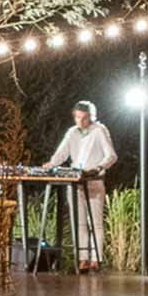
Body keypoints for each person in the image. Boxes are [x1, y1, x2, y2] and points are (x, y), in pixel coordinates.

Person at [44, 100, 118, 273]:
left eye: (84, 118)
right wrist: (50, 164)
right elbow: (61, 154)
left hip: (94, 182)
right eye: (77, 117)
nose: (80, 121)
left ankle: (96, 259)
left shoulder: (99, 131)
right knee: (80, 223)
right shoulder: (72, 133)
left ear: (91, 117)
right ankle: (82, 259)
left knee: (96, 224)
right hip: (76, 183)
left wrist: (98, 167)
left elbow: (111, 155)